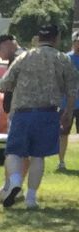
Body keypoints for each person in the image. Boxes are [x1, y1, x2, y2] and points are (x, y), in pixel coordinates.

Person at [0, 24, 77, 207]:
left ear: (38, 39)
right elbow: (72, 89)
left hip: (22, 113)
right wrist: (68, 112)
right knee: (38, 156)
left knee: (13, 152)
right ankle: (31, 198)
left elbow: (5, 83)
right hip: (48, 113)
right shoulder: (62, 59)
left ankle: (15, 182)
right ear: (56, 38)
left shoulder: (24, 57)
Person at [62, 30, 79, 170]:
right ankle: (61, 162)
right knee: (63, 133)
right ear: (73, 42)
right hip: (66, 103)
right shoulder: (66, 59)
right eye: (77, 41)